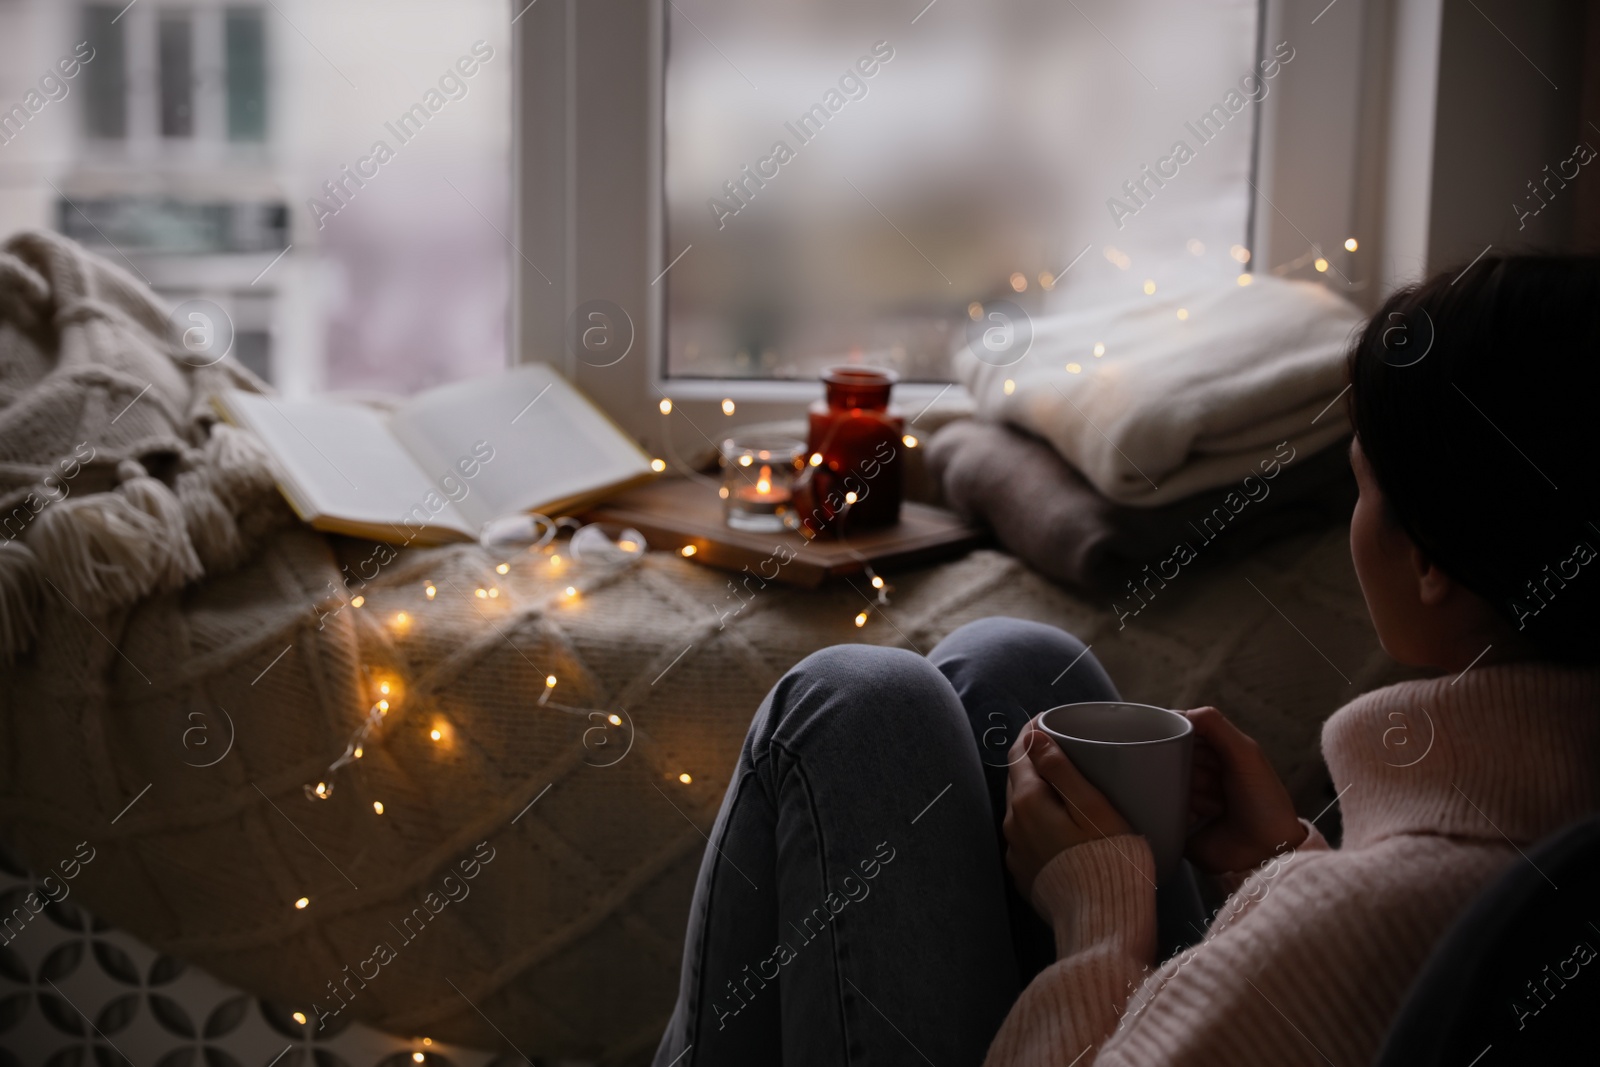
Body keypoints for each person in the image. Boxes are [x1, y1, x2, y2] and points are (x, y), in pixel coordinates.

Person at [652, 255, 1600, 1067]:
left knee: (850, 699)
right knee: (1020, 662)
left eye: (1360, 484)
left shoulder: (1368, 919)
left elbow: (1353, 949)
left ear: (1430, 561)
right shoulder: (1537, 835)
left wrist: (1099, 922)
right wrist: (1282, 865)